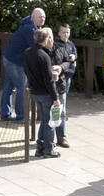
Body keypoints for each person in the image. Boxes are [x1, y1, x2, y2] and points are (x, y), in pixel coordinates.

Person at [1, 7, 45, 121]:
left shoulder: (32, 26)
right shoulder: (30, 29)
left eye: (44, 17)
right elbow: (36, 48)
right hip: (15, 62)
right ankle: (22, 116)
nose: (42, 19)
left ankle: (5, 114)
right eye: (40, 17)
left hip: (9, 59)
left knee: (8, 87)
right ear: (33, 17)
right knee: (22, 88)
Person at [25, 27, 60, 158]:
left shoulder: (28, 52)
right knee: (49, 121)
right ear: (45, 40)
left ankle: (40, 147)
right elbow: (49, 80)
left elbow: (26, 71)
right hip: (45, 93)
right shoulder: (44, 56)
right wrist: (56, 98)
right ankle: (48, 149)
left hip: (34, 92)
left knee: (44, 121)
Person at [52, 24, 77, 148]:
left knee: (62, 108)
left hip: (67, 79)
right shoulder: (56, 46)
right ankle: (57, 138)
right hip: (58, 80)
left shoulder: (71, 44)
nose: (65, 35)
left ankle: (60, 137)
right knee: (58, 109)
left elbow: (75, 55)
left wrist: (74, 57)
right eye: (63, 32)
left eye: (67, 32)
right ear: (58, 33)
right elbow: (58, 62)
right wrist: (68, 61)